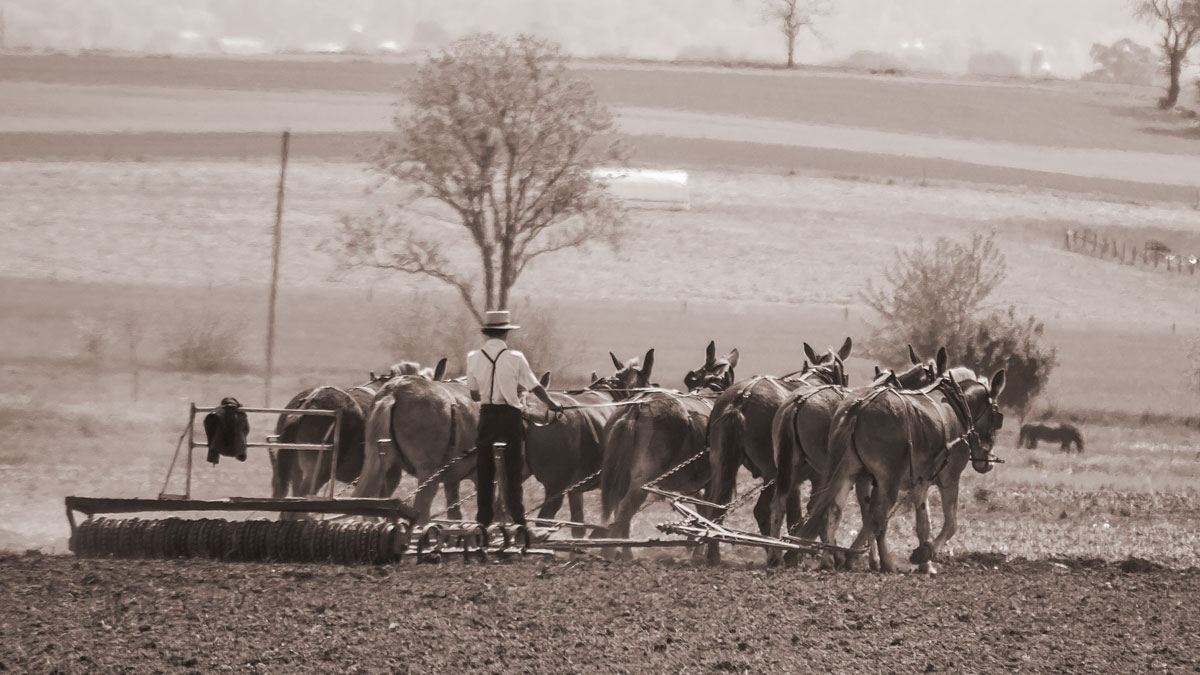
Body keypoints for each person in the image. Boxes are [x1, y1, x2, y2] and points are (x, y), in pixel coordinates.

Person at [466, 310, 563, 527]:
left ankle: (483, 519)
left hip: (487, 415)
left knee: (484, 469)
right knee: (513, 469)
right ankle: (518, 518)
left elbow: (473, 394)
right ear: (506, 334)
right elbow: (535, 386)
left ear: (487, 333)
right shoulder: (515, 358)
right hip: (510, 416)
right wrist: (552, 404)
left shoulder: (473, 358)